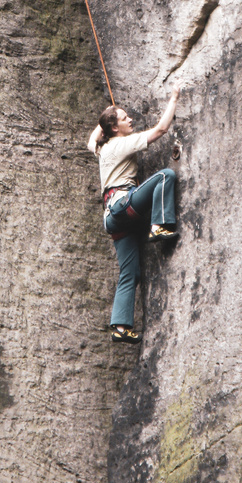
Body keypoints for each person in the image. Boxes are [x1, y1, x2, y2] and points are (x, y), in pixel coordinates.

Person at [87, 84, 181, 345]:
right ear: (115, 128)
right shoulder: (122, 144)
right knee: (166, 175)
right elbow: (161, 130)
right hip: (123, 204)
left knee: (130, 273)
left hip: (112, 217)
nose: (130, 119)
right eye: (124, 117)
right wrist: (174, 98)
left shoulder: (101, 149)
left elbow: (91, 140)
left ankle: (120, 326)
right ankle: (160, 225)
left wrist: (107, 115)